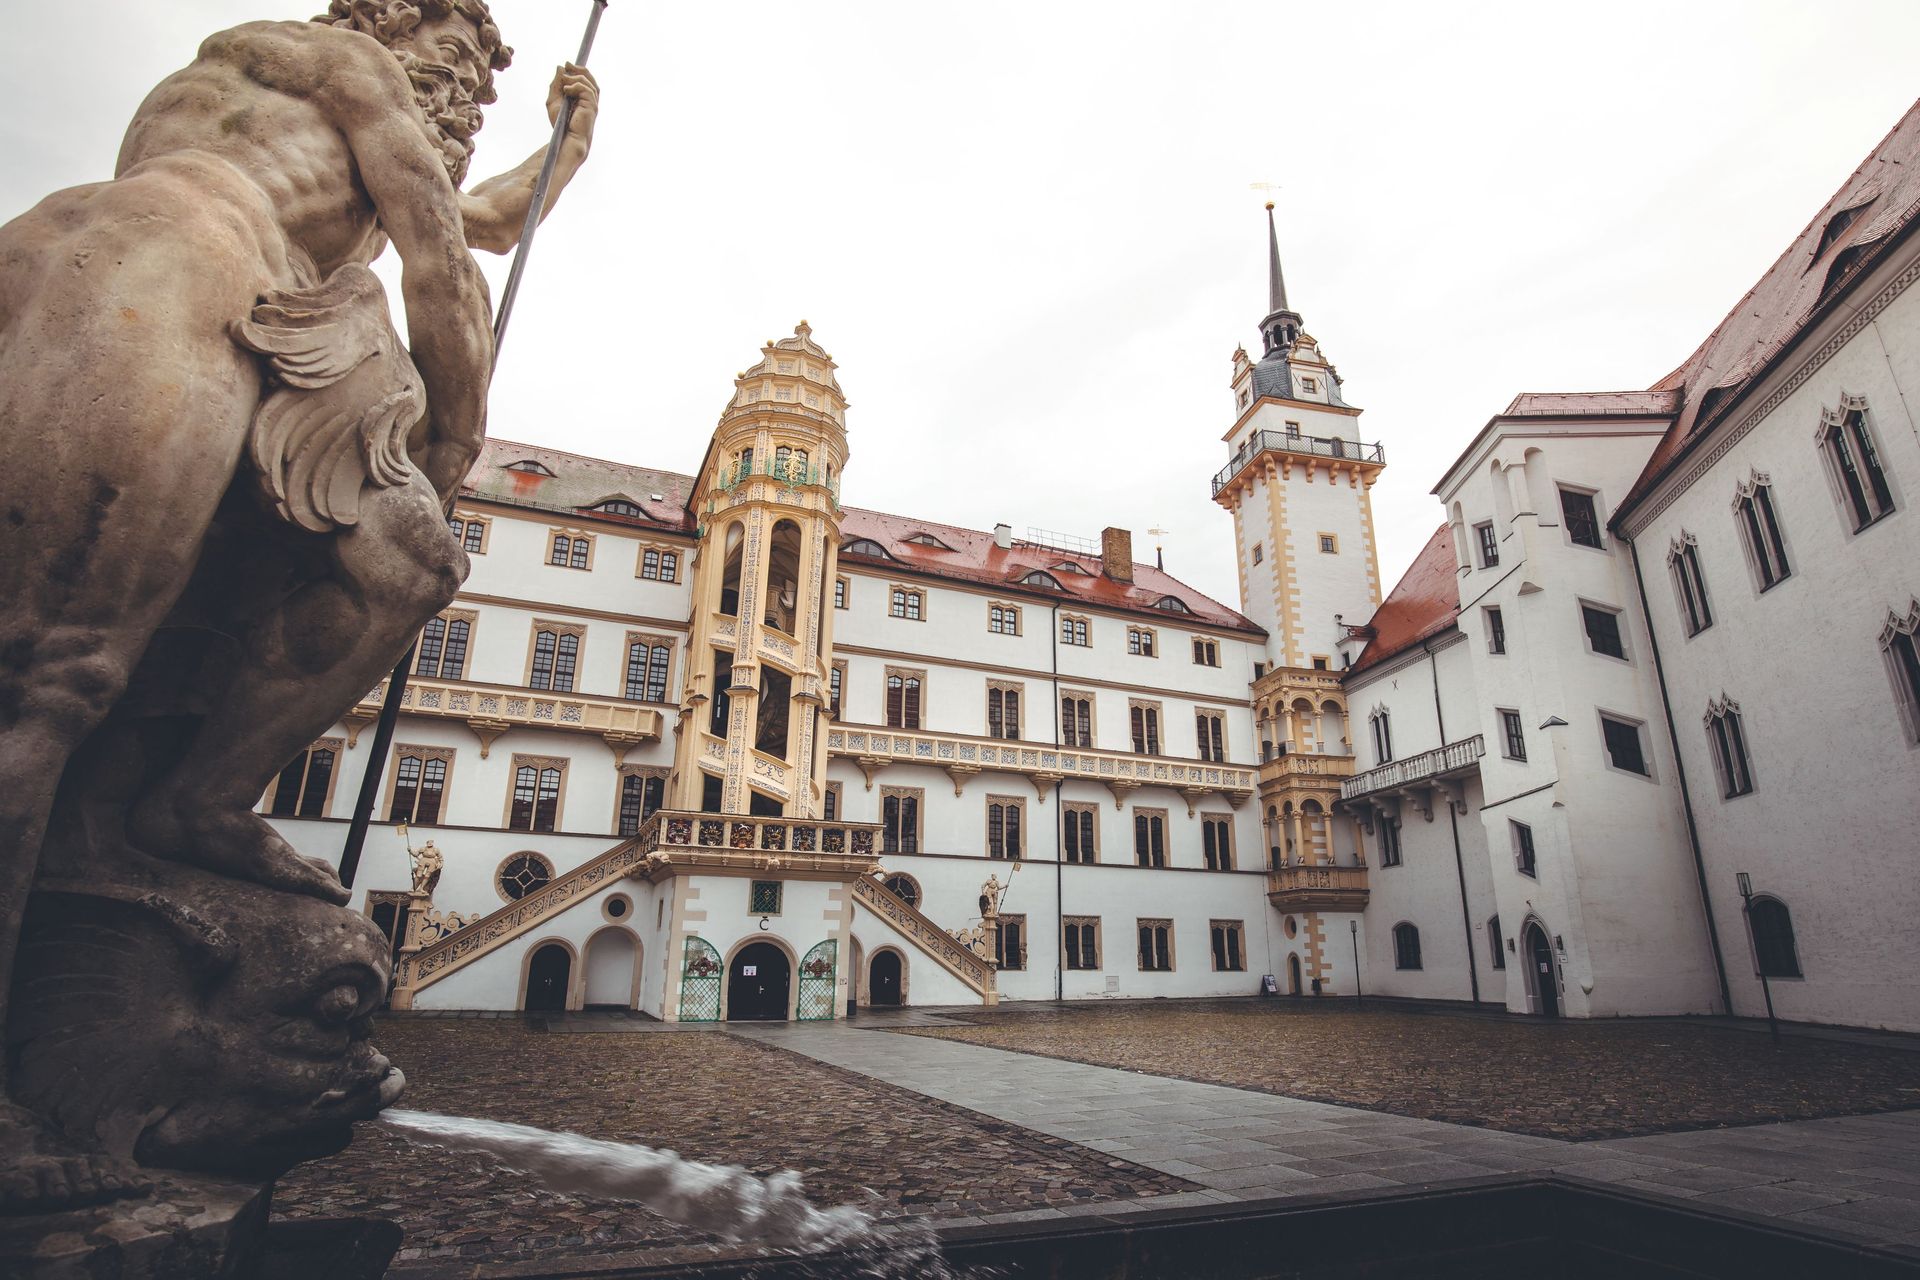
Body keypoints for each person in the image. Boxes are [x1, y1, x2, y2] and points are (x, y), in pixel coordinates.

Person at [0, 0, 598, 1210]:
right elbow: (443, 263)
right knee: (49, 685)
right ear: (417, 33)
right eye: (469, 70)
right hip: (197, 280)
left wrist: (563, 155)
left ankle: (174, 802)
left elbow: (476, 212)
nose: (472, 94)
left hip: (62, 247)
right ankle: (195, 798)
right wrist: (452, 439)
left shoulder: (262, 76)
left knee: (56, 679)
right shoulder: (361, 72)